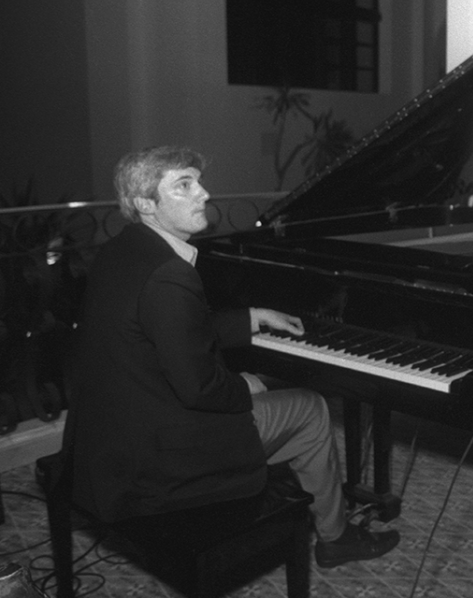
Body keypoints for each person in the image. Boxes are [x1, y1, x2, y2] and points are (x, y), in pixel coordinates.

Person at [61, 146, 398, 568]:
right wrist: (246, 386)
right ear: (147, 204)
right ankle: (336, 537)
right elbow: (200, 386)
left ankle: (316, 508)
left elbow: (164, 332)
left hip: (118, 431)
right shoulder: (170, 275)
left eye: (198, 182)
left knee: (265, 391)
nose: (204, 194)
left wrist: (252, 317)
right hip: (160, 460)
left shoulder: (121, 252)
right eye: (184, 185)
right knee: (309, 408)